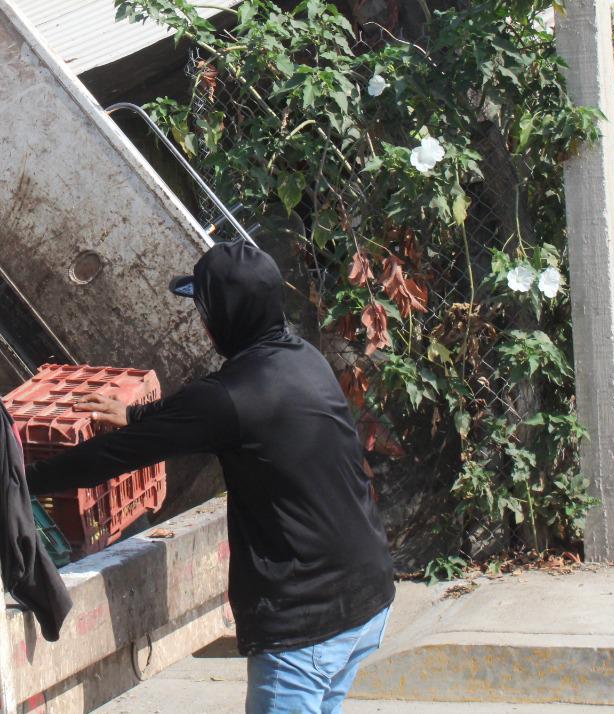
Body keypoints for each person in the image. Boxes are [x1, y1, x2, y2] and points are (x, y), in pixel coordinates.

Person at [25, 239, 395, 714]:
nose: (201, 324)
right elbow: (202, 409)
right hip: (367, 596)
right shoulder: (304, 358)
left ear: (223, 316)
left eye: (203, 310)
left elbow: (108, 459)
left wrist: (18, 480)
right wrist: (139, 416)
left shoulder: (229, 398)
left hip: (307, 621)